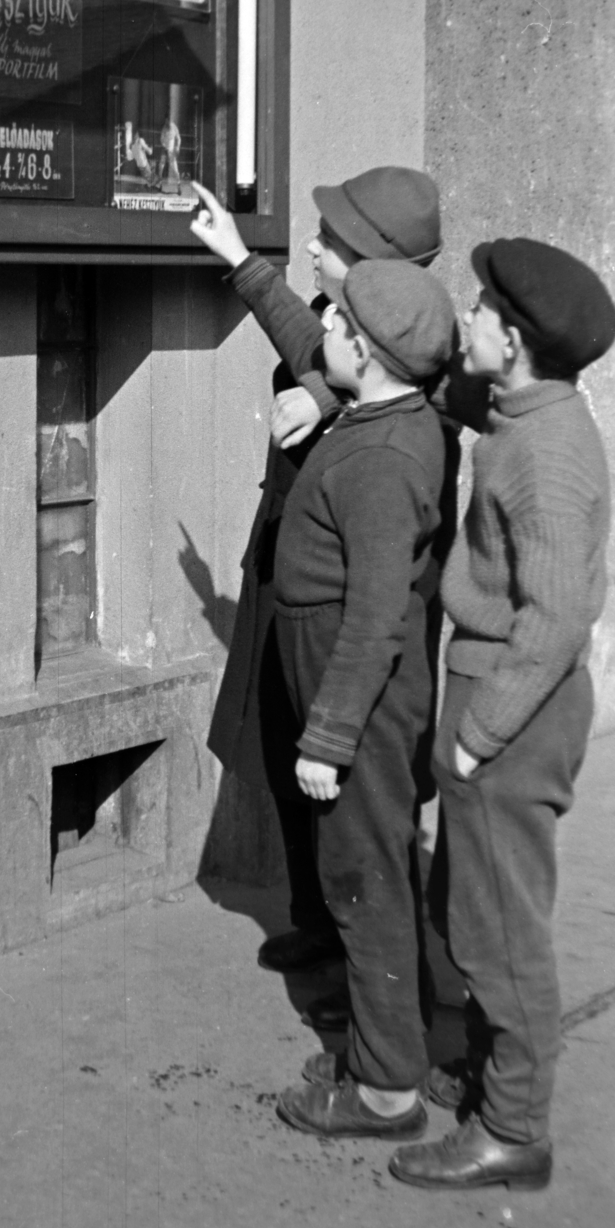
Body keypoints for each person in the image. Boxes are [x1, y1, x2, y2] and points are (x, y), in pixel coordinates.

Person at [192, 170, 471, 1040]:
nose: (312, 248)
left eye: (332, 242)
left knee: (360, 832)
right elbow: (324, 348)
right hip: (311, 605)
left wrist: (321, 390)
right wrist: (242, 262)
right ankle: (327, 940)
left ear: (382, 271)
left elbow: (376, 393)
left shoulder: (412, 388)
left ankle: (386, 1036)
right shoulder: (369, 352)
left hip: (357, 630)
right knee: (293, 769)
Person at [388, 238, 615, 1191]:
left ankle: (513, 1130)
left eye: (478, 312)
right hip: (493, 688)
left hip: (511, 707)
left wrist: (477, 742)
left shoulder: (548, 454)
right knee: (469, 905)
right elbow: (444, 384)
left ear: (513, 340)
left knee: (499, 930)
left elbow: (558, 617)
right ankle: (488, 1075)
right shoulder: (525, 406)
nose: (464, 320)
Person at [235, 254, 454, 1138]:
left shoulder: (381, 460)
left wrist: (326, 740)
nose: (320, 329)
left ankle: (387, 1091)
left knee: (362, 883)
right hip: (340, 671)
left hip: (351, 682)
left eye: (335, 326)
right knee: (370, 872)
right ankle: (380, 1047)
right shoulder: (382, 412)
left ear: (361, 353)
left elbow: (371, 620)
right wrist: (244, 270)